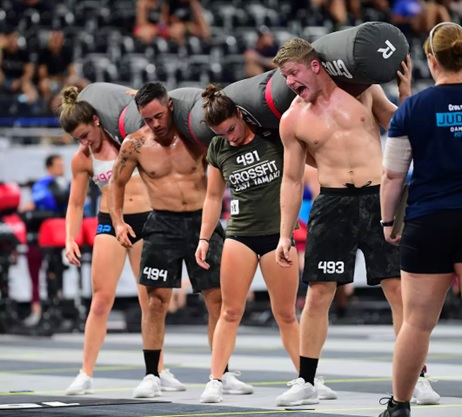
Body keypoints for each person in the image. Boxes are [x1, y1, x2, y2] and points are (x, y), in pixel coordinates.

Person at [271, 38, 438, 407]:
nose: (291, 84)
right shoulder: (293, 118)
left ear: (314, 66)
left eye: (293, 73)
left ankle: (418, 378)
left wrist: (406, 91)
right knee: (318, 293)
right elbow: (292, 180)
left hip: (379, 197)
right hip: (332, 205)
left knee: (400, 291)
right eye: (285, 78)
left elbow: (401, 127)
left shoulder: (364, 91)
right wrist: (285, 235)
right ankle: (306, 380)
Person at [108, 81, 252, 398]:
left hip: (203, 223)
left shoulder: (197, 139)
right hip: (161, 223)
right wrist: (117, 222)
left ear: (169, 106)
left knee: (217, 301)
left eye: (159, 116)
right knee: (156, 302)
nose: (155, 124)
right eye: (147, 119)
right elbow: (115, 185)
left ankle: (222, 373)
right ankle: (151, 373)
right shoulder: (134, 144)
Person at [59, 86, 185, 395]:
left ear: (96, 121)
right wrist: (70, 238)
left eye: (86, 134)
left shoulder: (131, 140)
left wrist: (133, 94)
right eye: (78, 139)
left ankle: (158, 369)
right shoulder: (82, 158)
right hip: (109, 223)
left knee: (150, 301)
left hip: (147, 220)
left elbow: (139, 101)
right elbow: (75, 203)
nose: (84, 142)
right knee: (101, 299)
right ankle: (85, 372)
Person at [195, 84, 301, 403]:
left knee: (285, 314)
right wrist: (203, 237)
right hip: (239, 234)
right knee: (230, 311)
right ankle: (216, 378)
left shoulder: (273, 136)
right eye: (222, 133)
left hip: (277, 236)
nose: (231, 138)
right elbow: (214, 197)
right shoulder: (218, 148)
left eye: (231, 129)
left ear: (240, 115)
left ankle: (307, 378)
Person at [378, 22, 462, 417]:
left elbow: (393, 175)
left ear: (430, 59)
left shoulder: (413, 108)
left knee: (416, 324)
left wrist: (386, 221)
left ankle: (399, 407)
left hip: (429, 222)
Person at [19, 154, 68, 327]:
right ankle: (36, 309)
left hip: (57, 238)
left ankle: (56, 309)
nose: (62, 168)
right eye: (58, 165)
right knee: (35, 274)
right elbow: (33, 204)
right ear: (49, 167)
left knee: (56, 272)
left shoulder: (66, 185)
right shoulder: (42, 186)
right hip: (38, 237)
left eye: (63, 165)